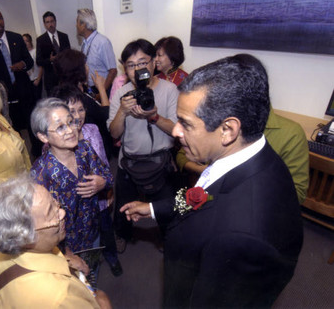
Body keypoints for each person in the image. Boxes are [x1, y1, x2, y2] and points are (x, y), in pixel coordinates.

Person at [120, 55, 303, 308]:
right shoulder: (249, 156)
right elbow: (203, 197)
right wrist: (153, 208)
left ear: (228, 130)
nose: (175, 131)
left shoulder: (242, 238)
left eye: (185, 123)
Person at [176, 54, 309, 203]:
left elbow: (295, 193)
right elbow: (183, 157)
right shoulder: (213, 121)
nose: (176, 131)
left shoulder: (290, 134)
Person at [0, 175, 111, 308]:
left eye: (55, 203)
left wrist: (66, 260)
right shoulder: (60, 297)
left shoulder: (6, 248)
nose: (62, 212)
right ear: (26, 237)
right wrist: (102, 302)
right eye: (51, 213)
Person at [30, 98, 113, 289]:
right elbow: (39, 228)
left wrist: (102, 183)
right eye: (60, 127)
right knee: (74, 290)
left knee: (92, 278)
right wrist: (65, 254)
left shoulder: (85, 150)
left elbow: (108, 175)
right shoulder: (40, 175)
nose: (70, 130)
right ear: (43, 137)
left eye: (71, 122)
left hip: (93, 231)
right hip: (64, 247)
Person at [107, 39, 179, 249]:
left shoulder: (169, 89)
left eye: (142, 62)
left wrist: (154, 117)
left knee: (166, 210)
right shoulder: (121, 93)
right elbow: (114, 133)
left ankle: (169, 241)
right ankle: (123, 235)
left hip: (161, 162)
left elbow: (176, 130)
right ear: (125, 69)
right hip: (129, 163)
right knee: (123, 209)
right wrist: (122, 110)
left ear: (154, 63)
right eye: (131, 65)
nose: (137, 69)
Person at [53, 87, 123, 276]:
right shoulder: (53, 143)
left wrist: (108, 189)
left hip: (100, 199)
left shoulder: (93, 130)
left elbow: (104, 162)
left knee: (106, 230)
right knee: (82, 249)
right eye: (71, 111)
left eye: (81, 109)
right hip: (76, 210)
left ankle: (112, 257)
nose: (77, 116)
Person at [53, 49, 112, 158]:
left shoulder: (76, 88)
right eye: (85, 64)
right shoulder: (76, 99)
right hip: (91, 149)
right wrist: (101, 88)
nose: (87, 67)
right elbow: (106, 115)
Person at [76, 8, 117, 92]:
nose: (76, 25)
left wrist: (102, 92)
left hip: (102, 88)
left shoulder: (102, 42)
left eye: (77, 22)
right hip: (89, 88)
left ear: (83, 25)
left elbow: (113, 71)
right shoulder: (84, 43)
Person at [35, 11, 71, 95]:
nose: (50, 24)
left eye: (52, 21)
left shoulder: (64, 36)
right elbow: (38, 61)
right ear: (44, 24)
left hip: (65, 76)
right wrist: (50, 60)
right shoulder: (41, 40)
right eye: (47, 22)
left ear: (55, 22)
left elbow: (69, 55)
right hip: (51, 79)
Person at [23, 33, 43, 102]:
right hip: (27, 83)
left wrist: (38, 79)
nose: (25, 43)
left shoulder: (35, 51)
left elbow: (41, 66)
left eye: (27, 41)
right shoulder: (23, 54)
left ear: (30, 41)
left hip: (36, 80)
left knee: (38, 100)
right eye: (23, 41)